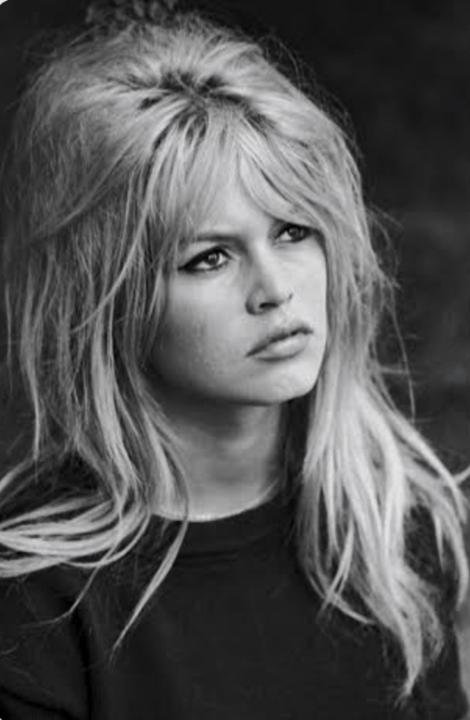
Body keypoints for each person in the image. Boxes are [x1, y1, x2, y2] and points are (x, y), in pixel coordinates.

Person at [0, 3, 468, 718]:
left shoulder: (395, 529)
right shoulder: (33, 599)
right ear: (111, 300)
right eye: (210, 257)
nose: (275, 288)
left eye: (293, 231)